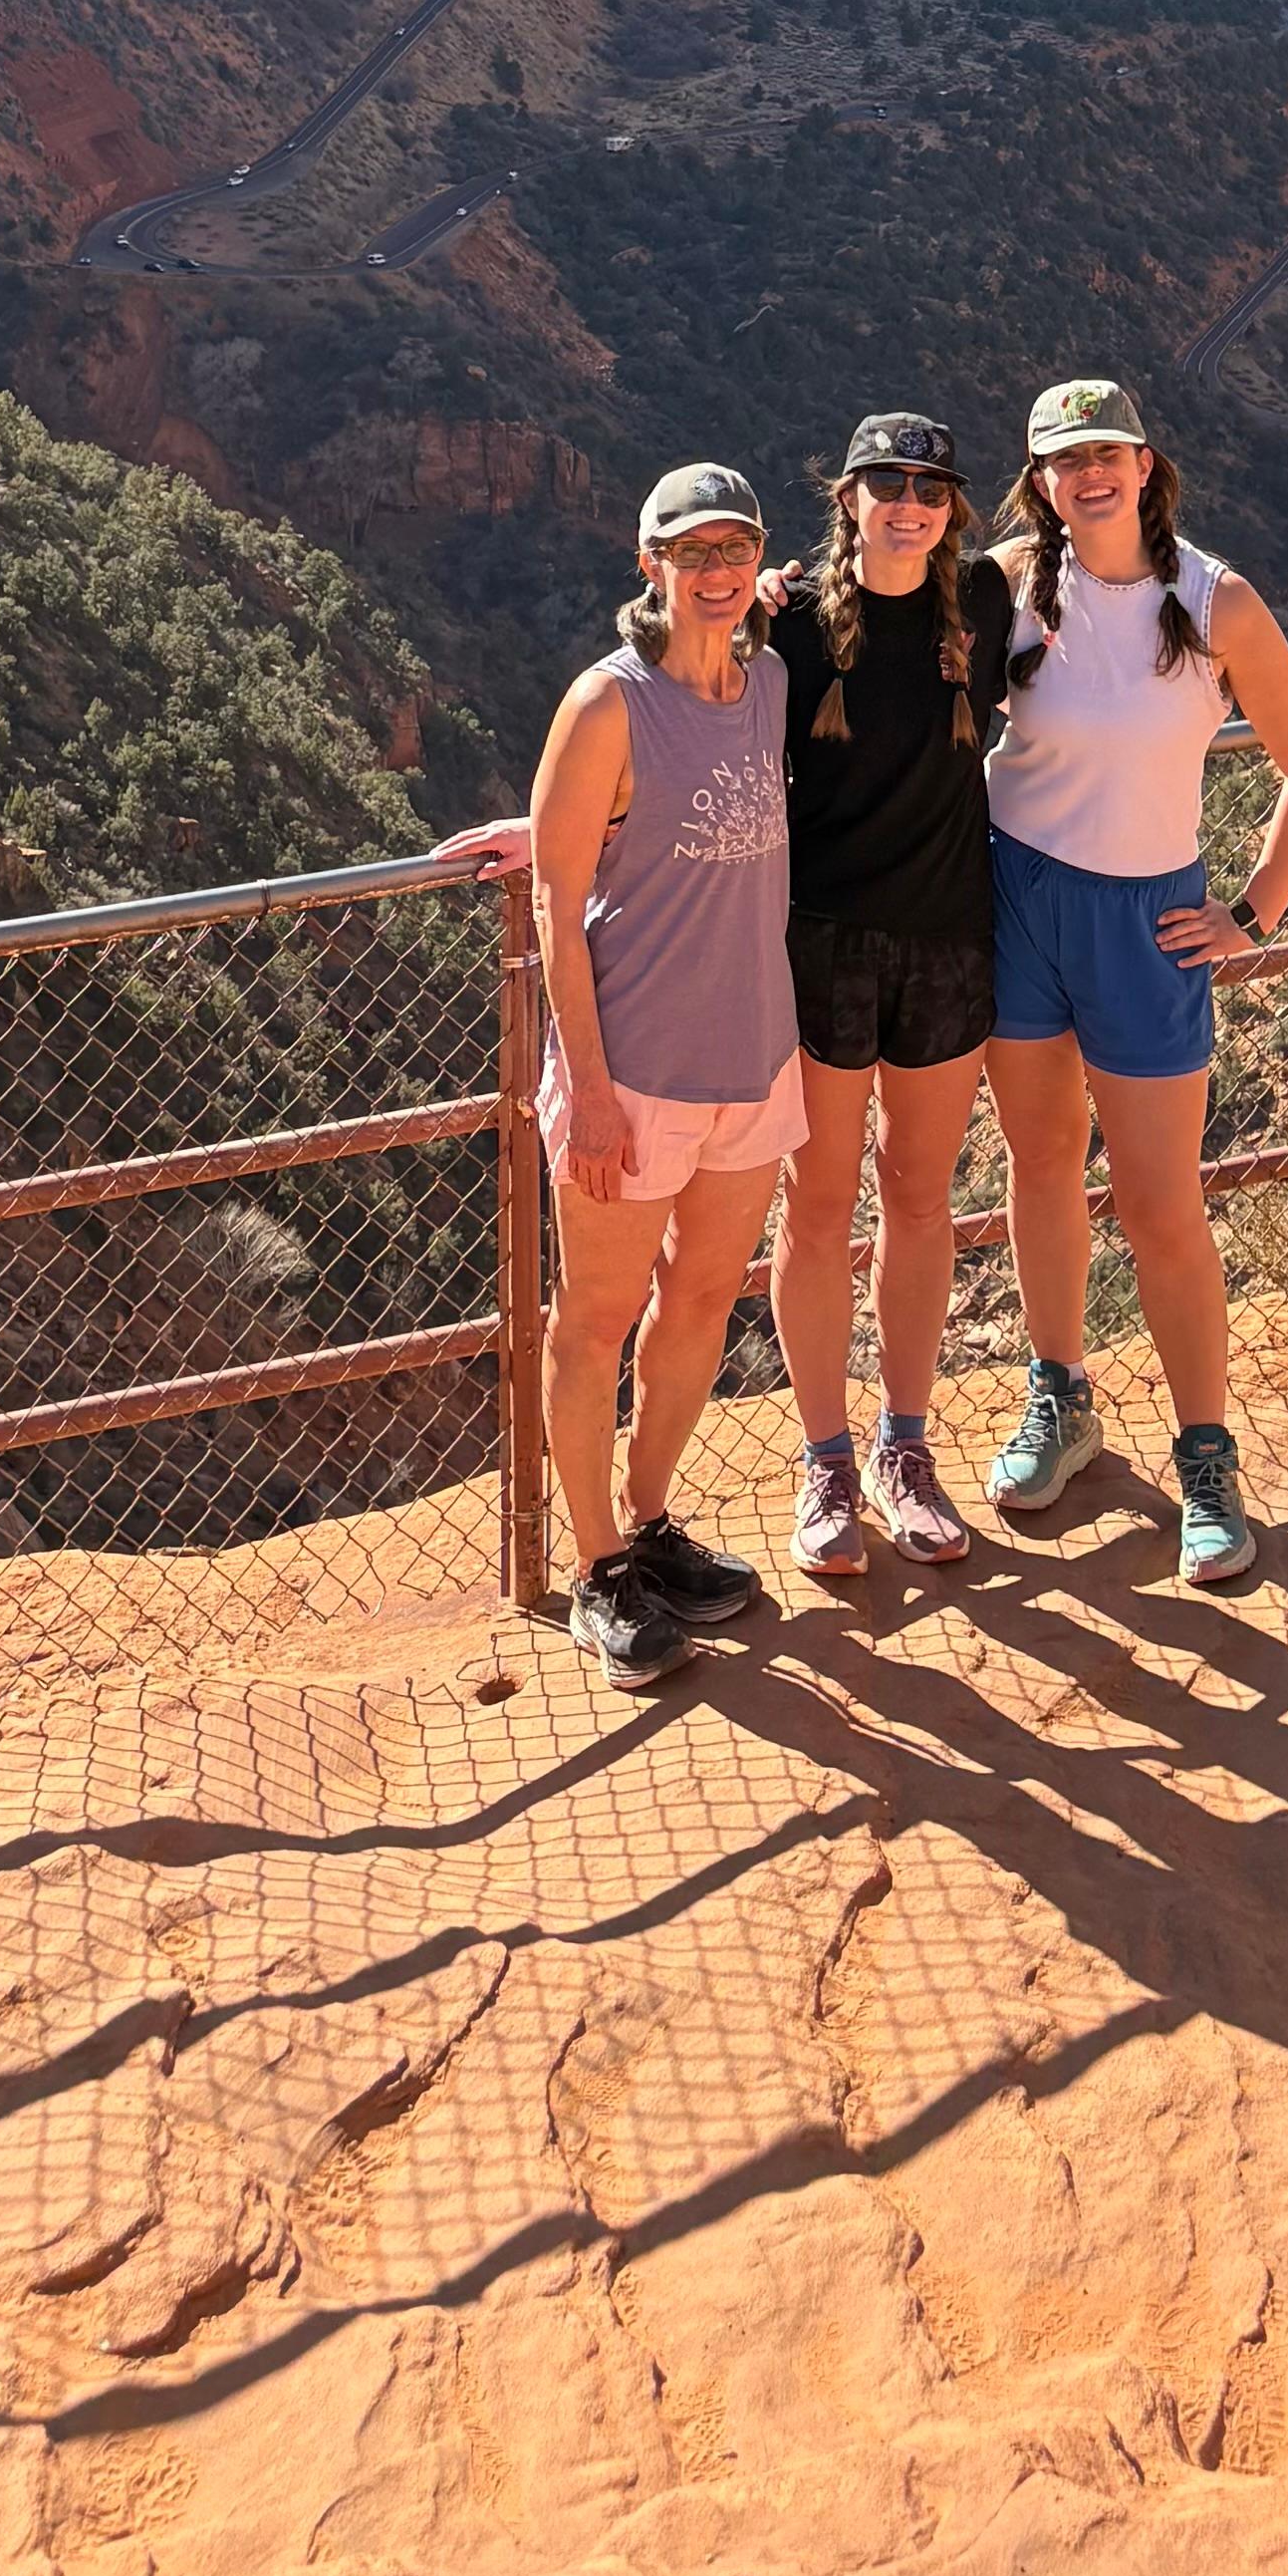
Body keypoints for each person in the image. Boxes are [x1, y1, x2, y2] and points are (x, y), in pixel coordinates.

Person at [980, 375, 1288, 1588]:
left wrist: (1249, 914)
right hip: (1017, 897)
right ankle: (1062, 1398)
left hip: (1149, 921)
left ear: (1144, 465)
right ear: (1040, 480)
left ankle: (1204, 1456)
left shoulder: (1214, 599)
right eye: (1064, 460)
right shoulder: (1009, 584)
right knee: (1040, 1165)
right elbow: (857, 651)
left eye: (1108, 455)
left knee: (1160, 1205)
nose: (1089, 476)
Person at [526, 460, 804, 1686]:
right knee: (595, 1319)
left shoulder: (771, 682)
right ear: (650, 564)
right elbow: (555, 887)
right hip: (632, 1072)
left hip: (755, 1054)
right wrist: (585, 1085)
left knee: (699, 1300)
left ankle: (647, 1522)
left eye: (735, 550)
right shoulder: (607, 704)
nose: (716, 570)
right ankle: (596, 1570)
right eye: (692, 553)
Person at [765, 410, 1010, 1588]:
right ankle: (826, 1465)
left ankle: (904, 1447)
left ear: (954, 506)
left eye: (930, 485)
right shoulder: (795, 625)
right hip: (823, 948)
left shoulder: (990, 610)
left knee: (920, 1203)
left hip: (951, 941)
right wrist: (558, 821)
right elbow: (690, 715)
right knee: (817, 1210)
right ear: (849, 495)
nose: (909, 501)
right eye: (887, 482)